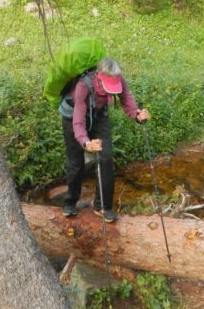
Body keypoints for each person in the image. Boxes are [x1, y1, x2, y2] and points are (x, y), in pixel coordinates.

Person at [61, 57, 149, 221]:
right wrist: (87, 143)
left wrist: (137, 114)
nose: (110, 92)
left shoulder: (118, 77)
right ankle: (70, 202)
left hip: (99, 115)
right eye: (108, 87)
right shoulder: (83, 85)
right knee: (76, 162)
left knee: (106, 158)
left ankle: (102, 206)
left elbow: (127, 99)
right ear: (99, 77)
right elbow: (78, 120)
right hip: (73, 116)